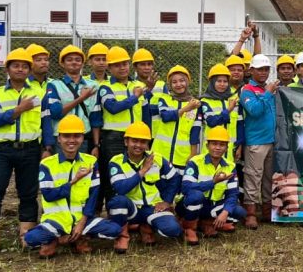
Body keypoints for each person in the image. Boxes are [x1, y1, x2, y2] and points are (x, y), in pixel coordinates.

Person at [23, 115, 121, 259]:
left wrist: (82, 222)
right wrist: (74, 181)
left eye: (76, 136)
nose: (71, 140)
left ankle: (80, 236)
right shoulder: (47, 164)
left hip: (82, 219)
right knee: (31, 238)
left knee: (115, 230)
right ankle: (58, 238)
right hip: (57, 220)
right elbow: (49, 195)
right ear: (59, 138)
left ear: (82, 138)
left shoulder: (91, 161)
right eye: (66, 136)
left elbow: (93, 196)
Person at [0, 48, 47, 254]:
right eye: (15, 66)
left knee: (28, 193)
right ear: (7, 69)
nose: (20, 69)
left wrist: (47, 147)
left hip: (30, 149)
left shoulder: (38, 94)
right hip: (2, 150)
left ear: (29, 70)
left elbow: (45, 122)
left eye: (24, 66)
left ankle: (27, 233)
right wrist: (19, 109)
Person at [107, 122, 182, 253]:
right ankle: (122, 236)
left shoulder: (157, 158)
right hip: (131, 209)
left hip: (152, 207)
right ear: (126, 142)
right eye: (134, 141)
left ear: (147, 144)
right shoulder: (116, 161)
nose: (138, 145)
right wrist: (143, 170)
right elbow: (120, 188)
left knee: (173, 230)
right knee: (117, 201)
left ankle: (146, 226)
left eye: (143, 142)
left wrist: (167, 201)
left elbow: (175, 178)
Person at [91, 46, 149, 213]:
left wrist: (148, 138)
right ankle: (114, 214)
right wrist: (134, 97)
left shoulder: (139, 85)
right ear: (109, 68)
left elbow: (145, 115)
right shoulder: (105, 87)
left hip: (137, 137)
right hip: (114, 139)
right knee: (113, 177)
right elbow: (113, 108)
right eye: (117, 65)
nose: (122, 68)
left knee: (134, 173)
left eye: (124, 64)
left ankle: (132, 213)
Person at [178, 126, 246, 243]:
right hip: (191, 204)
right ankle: (189, 228)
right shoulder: (195, 162)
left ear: (226, 148)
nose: (218, 148)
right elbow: (186, 188)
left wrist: (225, 212)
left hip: (212, 206)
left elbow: (233, 193)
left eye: (222, 145)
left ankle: (206, 223)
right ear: (207, 145)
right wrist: (213, 182)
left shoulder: (230, 166)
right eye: (214, 144)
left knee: (239, 212)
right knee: (196, 196)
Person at [240, 54, 279, 229]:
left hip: (272, 140)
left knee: (268, 178)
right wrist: (268, 93)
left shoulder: (269, 89)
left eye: (266, 69)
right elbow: (254, 111)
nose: (263, 73)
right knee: (253, 177)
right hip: (255, 141)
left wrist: (269, 92)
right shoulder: (247, 90)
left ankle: (267, 210)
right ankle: (250, 213)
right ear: (251, 71)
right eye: (259, 69)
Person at [42, 45, 98, 155]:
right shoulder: (54, 85)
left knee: (83, 166)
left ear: (82, 64)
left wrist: (96, 145)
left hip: (84, 137)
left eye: (78, 60)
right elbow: (56, 112)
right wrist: (81, 98)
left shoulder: (93, 85)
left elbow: (96, 116)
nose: (74, 62)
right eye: (69, 60)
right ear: (62, 63)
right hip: (62, 138)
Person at [152, 66, 200, 175]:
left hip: (182, 157)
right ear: (170, 85)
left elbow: (195, 132)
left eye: (182, 80)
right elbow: (165, 116)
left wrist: (193, 154)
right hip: (160, 154)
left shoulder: (195, 105)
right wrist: (186, 109)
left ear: (188, 81)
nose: (178, 84)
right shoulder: (164, 99)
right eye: (174, 82)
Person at [194, 63, 242, 165]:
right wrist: (228, 110)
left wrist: (239, 146)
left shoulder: (234, 99)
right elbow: (212, 122)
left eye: (225, 81)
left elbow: (239, 124)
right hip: (211, 151)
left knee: (228, 174)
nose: (222, 84)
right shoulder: (205, 101)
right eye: (219, 81)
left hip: (229, 151)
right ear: (212, 82)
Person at [132, 48, 168, 140]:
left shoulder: (161, 85)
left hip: (158, 134)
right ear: (135, 67)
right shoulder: (132, 85)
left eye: (149, 64)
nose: (147, 67)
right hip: (139, 133)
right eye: (143, 64)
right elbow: (136, 108)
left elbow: (167, 108)